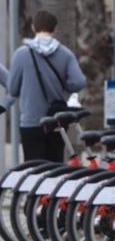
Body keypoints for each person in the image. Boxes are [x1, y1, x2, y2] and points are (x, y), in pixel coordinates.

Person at [6, 11, 86, 163]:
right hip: (56, 121)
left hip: (31, 122)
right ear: (55, 29)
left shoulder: (21, 54)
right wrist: (63, 85)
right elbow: (79, 82)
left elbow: (12, 88)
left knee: (35, 171)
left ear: (33, 28)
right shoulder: (65, 54)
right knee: (55, 169)